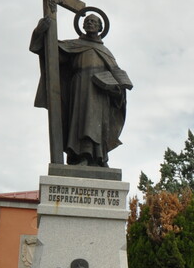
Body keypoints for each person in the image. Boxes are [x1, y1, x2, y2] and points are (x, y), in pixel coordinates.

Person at [30, 13, 132, 166]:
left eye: (93, 22)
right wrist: (39, 32)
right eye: (87, 21)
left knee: (100, 123)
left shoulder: (106, 52)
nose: (90, 23)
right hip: (81, 87)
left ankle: (100, 158)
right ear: (83, 26)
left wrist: (117, 89)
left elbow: (116, 73)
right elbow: (49, 52)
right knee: (82, 121)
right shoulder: (74, 45)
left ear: (100, 27)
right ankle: (82, 156)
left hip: (101, 91)